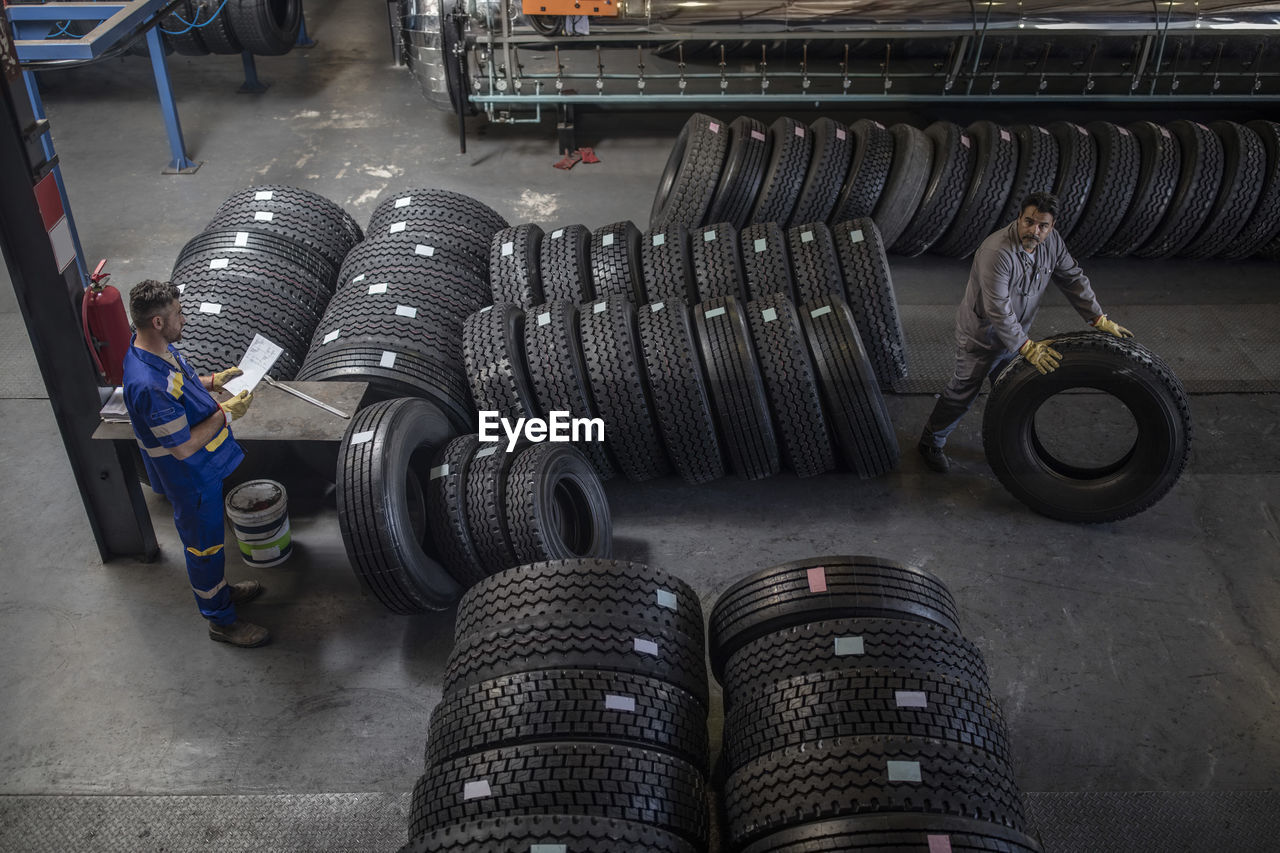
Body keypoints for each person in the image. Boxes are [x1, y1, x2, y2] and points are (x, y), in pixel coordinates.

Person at [918, 191, 1134, 473]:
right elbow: (998, 309)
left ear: (1052, 227)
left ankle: (1011, 447)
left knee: (1013, 394)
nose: (1035, 230)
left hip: (1019, 338)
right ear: (1019, 218)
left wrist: (1096, 317)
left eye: (1043, 225)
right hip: (981, 338)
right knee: (963, 392)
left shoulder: (1051, 243)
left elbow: (1072, 277)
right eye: (1029, 222)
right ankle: (930, 441)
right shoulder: (997, 252)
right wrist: (1026, 347)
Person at [122, 280, 269, 647]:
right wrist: (226, 413)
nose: (183, 319)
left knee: (213, 545)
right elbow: (184, 447)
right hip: (190, 478)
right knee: (204, 548)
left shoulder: (154, 351)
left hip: (202, 473)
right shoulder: (148, 385)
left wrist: (213, 382)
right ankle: (220, 620)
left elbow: (182, 386)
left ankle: (222, 592)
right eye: (177, 314)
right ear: (157, 322)